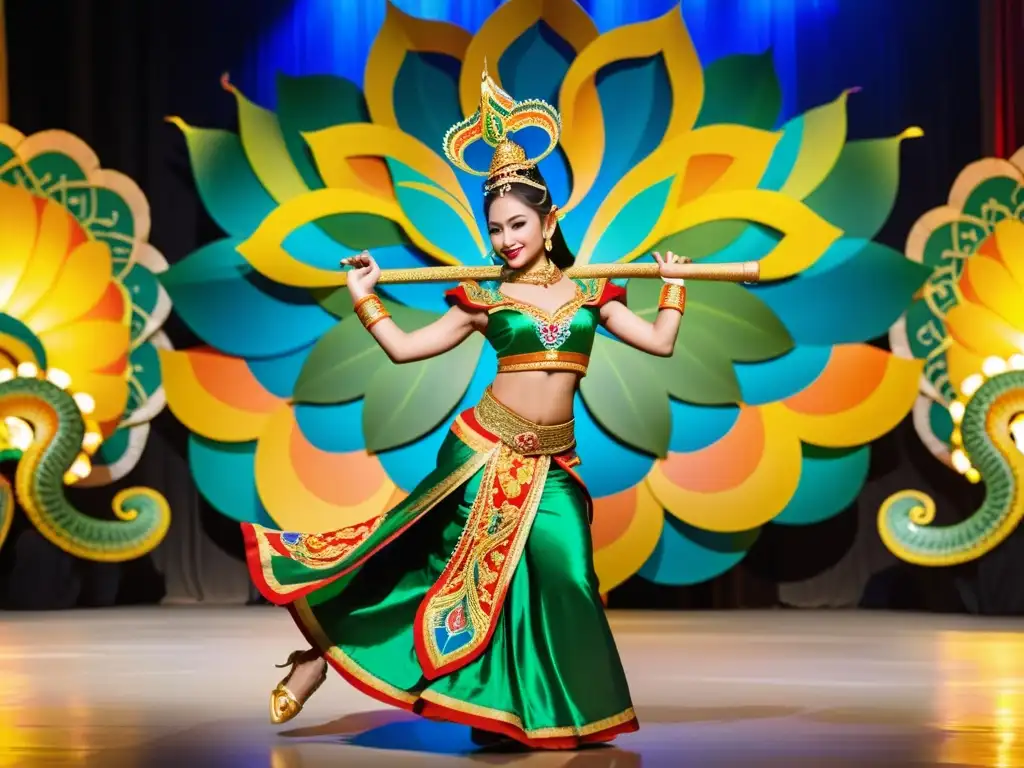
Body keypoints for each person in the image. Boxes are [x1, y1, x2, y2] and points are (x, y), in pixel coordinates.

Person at [241, 67, 689, 751]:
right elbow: (403, 348)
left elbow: (659, 344)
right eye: (497, 228)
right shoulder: (483, 298)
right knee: (429, 569)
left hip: (553, 463)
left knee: (563, 575)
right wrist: (366, 297)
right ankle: (320, 656)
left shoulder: (595, 294)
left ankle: (534, 708)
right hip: (481, 451)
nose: (507, 238)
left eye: (518, 224)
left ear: (549, 220)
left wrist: (676, 288)